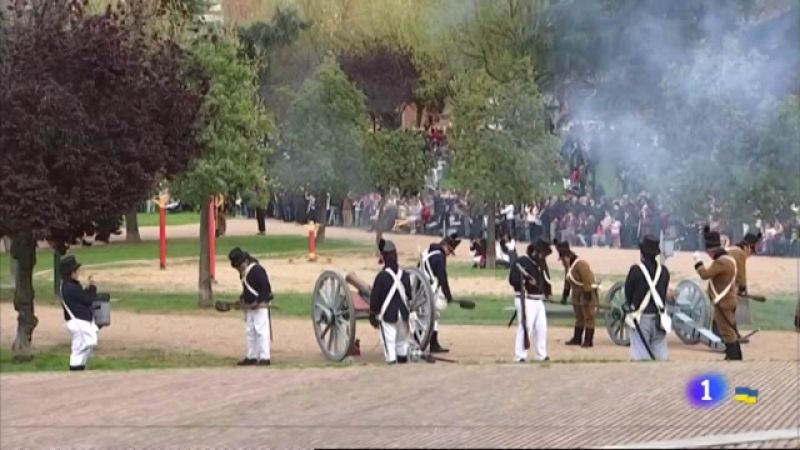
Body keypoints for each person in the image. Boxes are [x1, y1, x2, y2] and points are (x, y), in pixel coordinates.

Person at [694, 226, 740, 360]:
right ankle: (734, 355)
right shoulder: (728, 259)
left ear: (711, 250)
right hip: (728, 299)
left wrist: (698, 262)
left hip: (723, 302)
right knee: (730, 330)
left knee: (727, 332)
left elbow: (704, 274)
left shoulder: (721, 262)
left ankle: (733, 357)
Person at [623, 235, 671, 361]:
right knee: (660, 354)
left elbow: (628, 292)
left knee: (640, 354)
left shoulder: (636, 270)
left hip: (641, 317)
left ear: (642, 252)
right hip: (659, 317)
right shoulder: (664, 271)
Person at [508, 239, 553, 362]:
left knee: (541, 328)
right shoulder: (522, 262)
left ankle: (541, 354)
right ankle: (520, 355)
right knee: (525, 327)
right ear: (534, 252)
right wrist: (526, 281)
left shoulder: (541, 265)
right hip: (526, 299)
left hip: (538, 301)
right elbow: (513, 279)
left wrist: (548, 293)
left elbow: (546, 280)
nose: (543, 256)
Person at [369, 239, 412, 364]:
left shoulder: (381, 277)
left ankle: (392, 372)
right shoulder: (405, 275)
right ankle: (403, 367)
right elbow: (409, 295)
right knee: (402, 344)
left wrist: (372, 315)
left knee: (389, 347)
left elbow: (375, 299)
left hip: (388, 316)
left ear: (384, 257)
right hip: (403, 314)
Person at [229, 247, 273, 366]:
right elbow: (247, 289)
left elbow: (266, 290)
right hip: (249, 307)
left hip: (260, 306)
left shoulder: (257, 270)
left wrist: (258, 302)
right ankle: (251, 356)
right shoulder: (244, 273)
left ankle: (265, 357)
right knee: (250, 332)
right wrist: (242, 299)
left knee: (261, 331)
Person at [419, 233, 460, 353]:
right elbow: (443, 278)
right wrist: (448, 296)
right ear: (445, 246)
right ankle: (432, 344)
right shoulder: (440, 258)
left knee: (428, 316)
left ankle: (430, 342)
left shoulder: (428, 251)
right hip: (428, 289)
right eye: (449, 251)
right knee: (434, 316)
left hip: (420, 287)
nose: (448, 254)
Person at [555, 239, 597, 347]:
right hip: (577, 294)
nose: (562, 262)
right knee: (579, 316)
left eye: (562, 259)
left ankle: (588, 340)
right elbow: (568, 280)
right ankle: (577, 338)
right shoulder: (569, 267)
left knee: (588, 317)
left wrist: (587, 295)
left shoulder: (580, 264)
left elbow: (588, 279)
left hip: (587, 293)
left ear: (566, 257)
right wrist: (565, 295)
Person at [59, 256, 99, 371]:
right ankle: (75, 373)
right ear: (71, 273)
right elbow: (88, 299)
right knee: (78, 350)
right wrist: (93, 286)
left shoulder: (68, 286)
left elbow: (81, 297)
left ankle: (79, 371)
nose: (78, 273)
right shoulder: (71, 287)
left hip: (78, 322)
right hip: (78, 322)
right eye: (76, 270)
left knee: (84, 348)